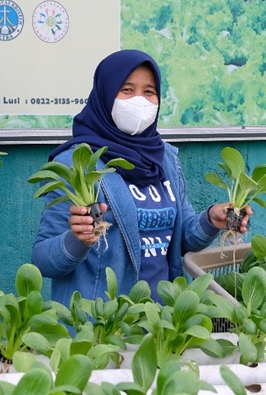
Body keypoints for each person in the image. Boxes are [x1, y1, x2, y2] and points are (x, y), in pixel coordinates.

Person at [31, 50, 250, 304]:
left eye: (149, 92)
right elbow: (43, 260)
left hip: (162, 324)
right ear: (105, 94)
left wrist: (212, 219)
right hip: (102, 327)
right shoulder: (77, 163)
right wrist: (77, 240)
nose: (139, 101)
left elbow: (182, 239)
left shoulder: (165, 158)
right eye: (126, 90)